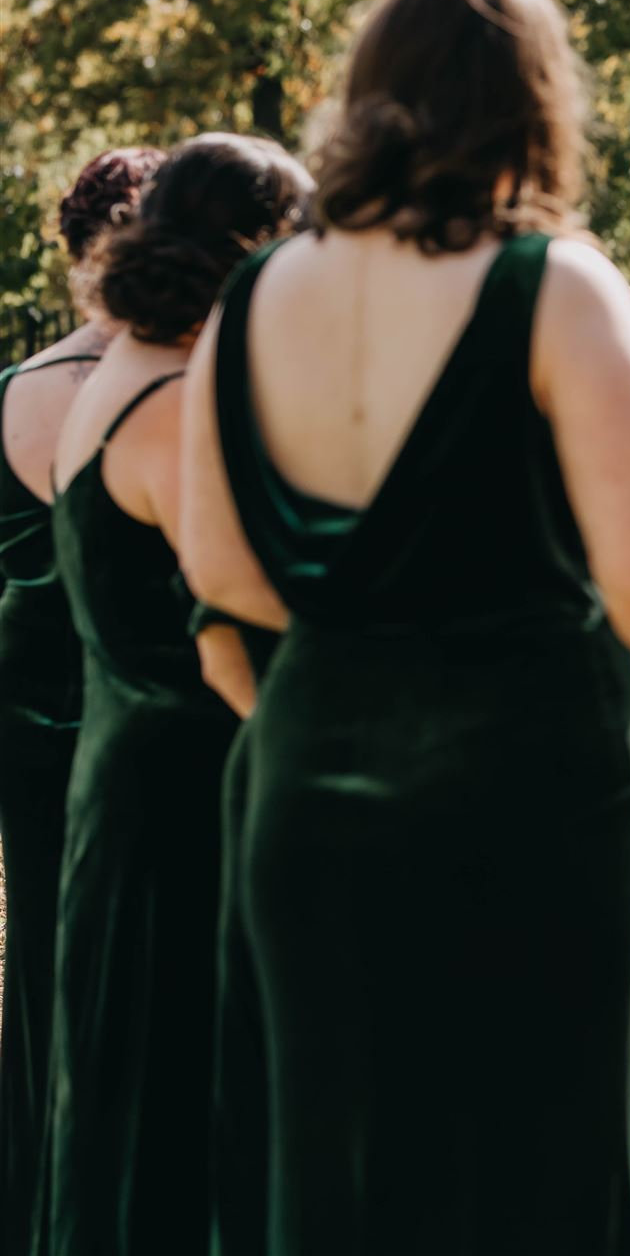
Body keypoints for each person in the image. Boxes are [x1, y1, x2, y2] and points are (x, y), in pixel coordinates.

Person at [177, 0, 630, 1254]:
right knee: (535, 1166)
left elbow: (221, 568)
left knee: (345, 1167)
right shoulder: (553, 282)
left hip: (314, 778)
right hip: (528, 785)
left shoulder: (252, 295)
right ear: (531, 104)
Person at [45, 133, 309, 1256]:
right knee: (185, 1099)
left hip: (137, 775)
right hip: (187, 797)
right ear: (241, 248)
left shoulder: (133, 365)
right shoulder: (173, 402)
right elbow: (249, 621)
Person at [0, 144, 162, 1256]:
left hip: (27, 697)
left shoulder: (17, 384)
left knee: (49, 955)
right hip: (122, 697)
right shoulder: (154, 391)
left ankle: (37, 1189)